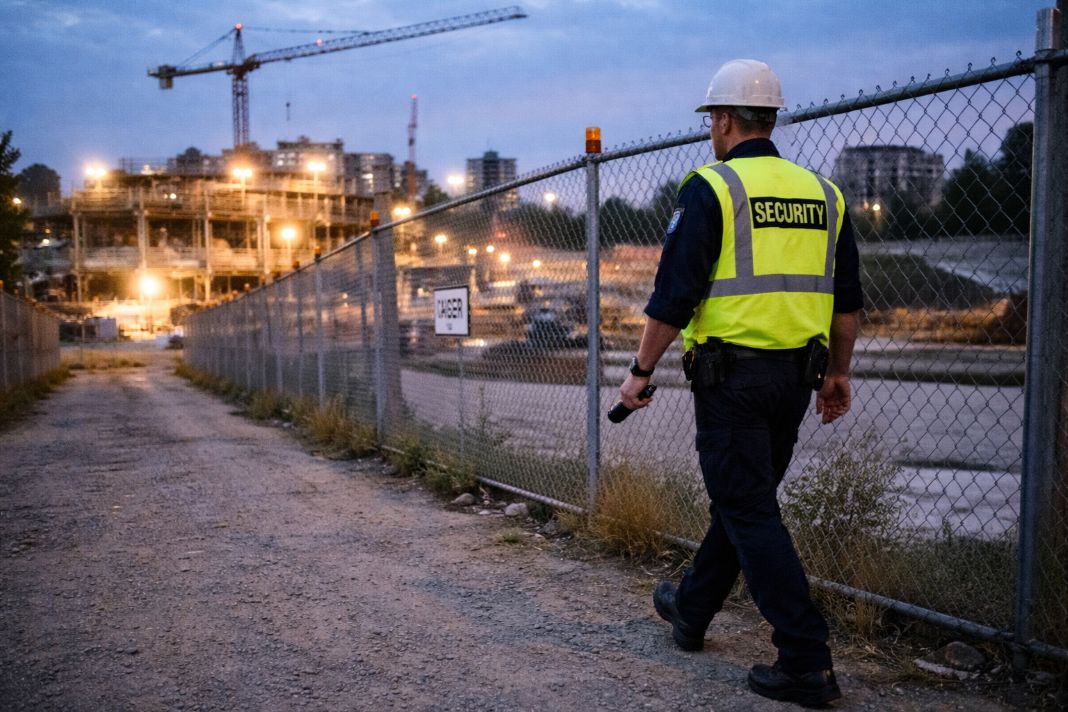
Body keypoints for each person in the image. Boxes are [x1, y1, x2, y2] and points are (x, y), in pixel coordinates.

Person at [617, 58, 862, 707]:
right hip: (796, 380)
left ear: (722, 120)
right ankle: (691, 610)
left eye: (712, 121)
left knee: (749, 508)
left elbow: (674, 297)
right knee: (744, 499)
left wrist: (639, 373)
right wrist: (838, 373)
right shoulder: (826, 194)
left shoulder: (712, 189)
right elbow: (848, 303)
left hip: (731, 382)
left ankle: (806, 659)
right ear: (771, 117)